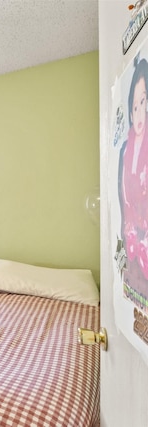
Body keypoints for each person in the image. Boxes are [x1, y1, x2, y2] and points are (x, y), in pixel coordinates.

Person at [119, 57, 148, 296]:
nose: (139, 114)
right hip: (131, 249)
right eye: (135, 107)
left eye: (143, 102)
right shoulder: (125, 152)